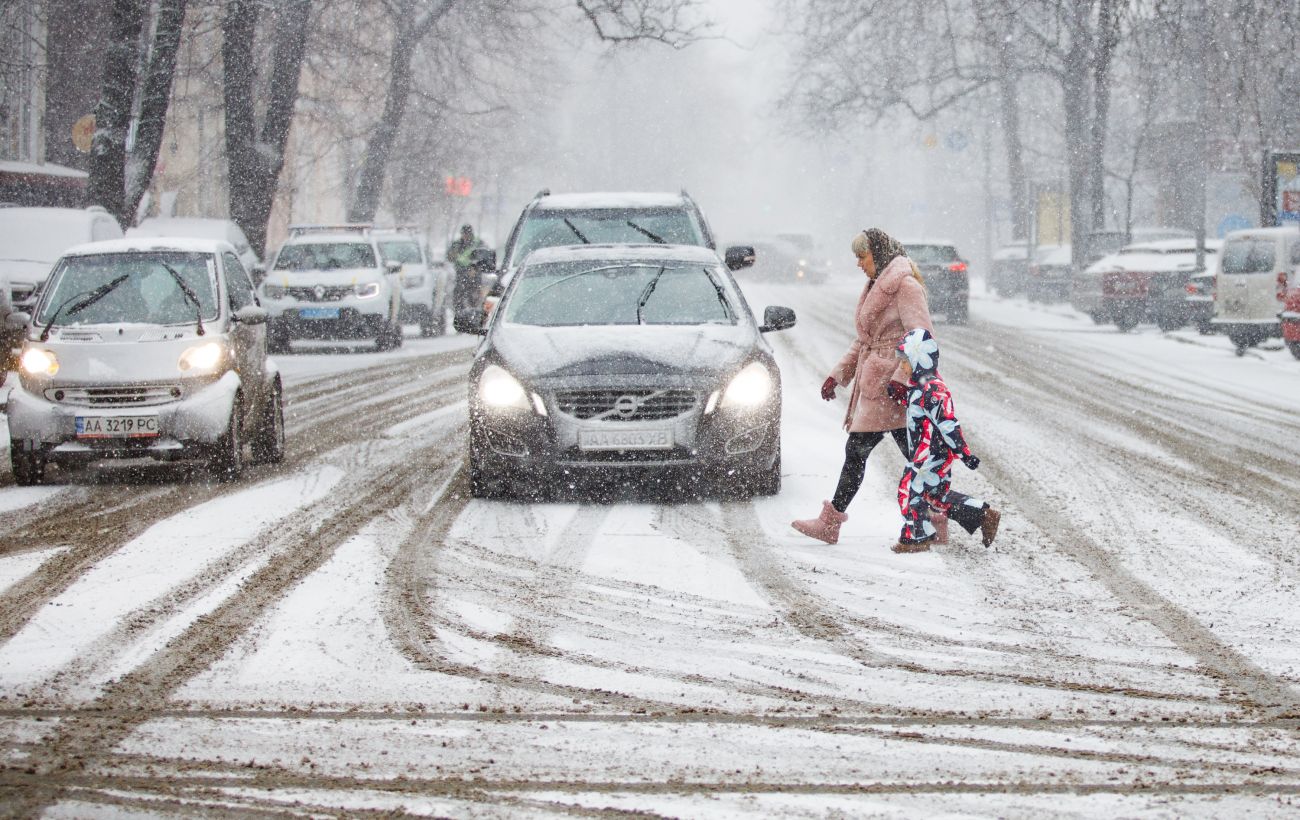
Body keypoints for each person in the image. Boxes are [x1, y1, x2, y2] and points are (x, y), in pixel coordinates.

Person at [791, 228, 935, 545]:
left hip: (891, 387)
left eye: (862, 256)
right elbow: (866, 340)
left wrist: (902, 378)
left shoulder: (905, 286)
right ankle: (966, 514)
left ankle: (830, 525)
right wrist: (838, 375)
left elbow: (922, 337)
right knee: (912, 458)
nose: (859, 264)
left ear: (878, 254)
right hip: (879, 385)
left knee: (857, 452)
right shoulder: (876, 285)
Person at [891, 327, 1000, 553]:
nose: (901, 365)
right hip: (928, 451)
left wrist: (964, 453)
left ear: (920, 359)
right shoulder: (920, 386)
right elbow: (922, 414)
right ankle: (982, 514)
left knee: (909, 489)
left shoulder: (933, 389)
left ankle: (916, 537)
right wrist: (904, 399)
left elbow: (947, 423)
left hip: (931, 451)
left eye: (905, 360)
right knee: (934, 495)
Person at [446, 224, 485, 313]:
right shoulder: (456, 244)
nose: (465, 236)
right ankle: (460, 314)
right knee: (458, 297)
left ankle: (474, 314)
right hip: (460, 275)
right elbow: (449, 257)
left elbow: (483, 258)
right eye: (464, 234)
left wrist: (474, 268)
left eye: (467, 234)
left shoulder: (478, 243)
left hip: (474, 276)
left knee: (474, 298)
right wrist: (452, 255)